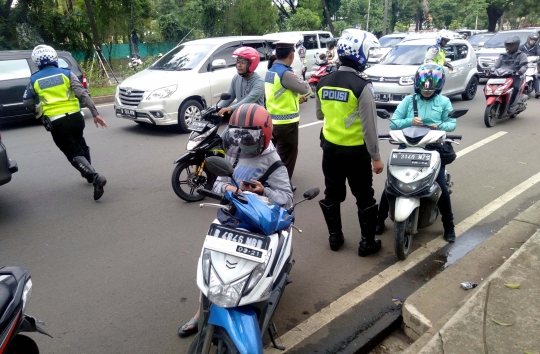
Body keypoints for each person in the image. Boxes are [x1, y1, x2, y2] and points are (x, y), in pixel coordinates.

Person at [177, 103, 293, 338]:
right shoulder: (234, 152)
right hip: (230, 217)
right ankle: (201, 311)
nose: (242, 142)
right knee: (211, 263)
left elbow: (287, 199)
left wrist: (262, 192)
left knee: (251, 273)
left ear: (264, 134)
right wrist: (231, 188)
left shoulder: (273, 162)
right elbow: (218, 183)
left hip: (258, 225)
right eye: (238, 136)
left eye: (249, 138)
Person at [315, 29, 384, 256]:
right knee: (364, 196)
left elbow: (318, 116)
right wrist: (376, 157)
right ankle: (367, 243)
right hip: (356, 153)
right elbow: (369, 128)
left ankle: (335, 238)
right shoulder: (362, 85)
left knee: (331, 194)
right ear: (361, 55)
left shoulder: (323, 81)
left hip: (330, 150)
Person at [375, 64, 457, 242]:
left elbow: (452, 123)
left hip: (432, 147)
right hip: (408, 146)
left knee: (441, 186)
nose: (426, 92)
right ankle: (379, 219)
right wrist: (409, 121)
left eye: (431, 89)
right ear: (417, 85)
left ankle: (449, 226)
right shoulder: (408, 101)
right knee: (391, 184)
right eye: (423, 88)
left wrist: (439, 125)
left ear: (439, 86)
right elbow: (394, 123)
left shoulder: (444, 102)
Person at [23, 45, 108, 201]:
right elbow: (83, 93)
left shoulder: (34, 79)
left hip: (57, 122)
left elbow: (27, 101)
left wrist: (38, 109)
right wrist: (95, 114)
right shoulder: (66, 74)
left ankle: (95, 177)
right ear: (54, 58)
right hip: (76, 118)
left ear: (36, 61)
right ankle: (89, 174)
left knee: (72, 152)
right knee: (80, 143)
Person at [264, 39, 311, 181]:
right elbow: (305, 88)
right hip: (287, 123)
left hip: (273, 120)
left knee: (276, 155)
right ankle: (282, 188)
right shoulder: (285, 73)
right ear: (291, 55)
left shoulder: (271, 72)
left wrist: (297, 99)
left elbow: (278, 95)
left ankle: (272, 182)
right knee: (287, 157)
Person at [217, 47, 265, 116]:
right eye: (238, 62)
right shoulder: (236, 78)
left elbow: (248, 101)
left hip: (256, 119)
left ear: (251, 65)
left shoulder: (259, 82)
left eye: (243, 62)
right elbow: (229, 97)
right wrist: (217, 108)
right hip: (240, 117)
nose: (239, 65)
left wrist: (230, 108)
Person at [490, 36, 528, 113]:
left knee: (515, 88)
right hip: (502, 75)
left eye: (512, 45)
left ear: (517, 45)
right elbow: (495, 65)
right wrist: (491, 70)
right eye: (508, 45)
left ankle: (512, 105)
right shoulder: (503, 55)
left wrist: (520, 71)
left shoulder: (521, 55)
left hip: (515, 76)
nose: (509, 47)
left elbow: (524, 65)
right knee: (492, 86)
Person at [519, 33, 540, 99]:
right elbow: (518, 54)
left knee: (536, 76)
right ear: (528, 39)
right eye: (532, 40)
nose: (533, 41)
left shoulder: (537, 47)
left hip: (533, 65)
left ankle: (537, 92)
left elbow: (539, 53)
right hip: (524, 64)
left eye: (535, 40)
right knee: (519, 75)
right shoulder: (522, 47)